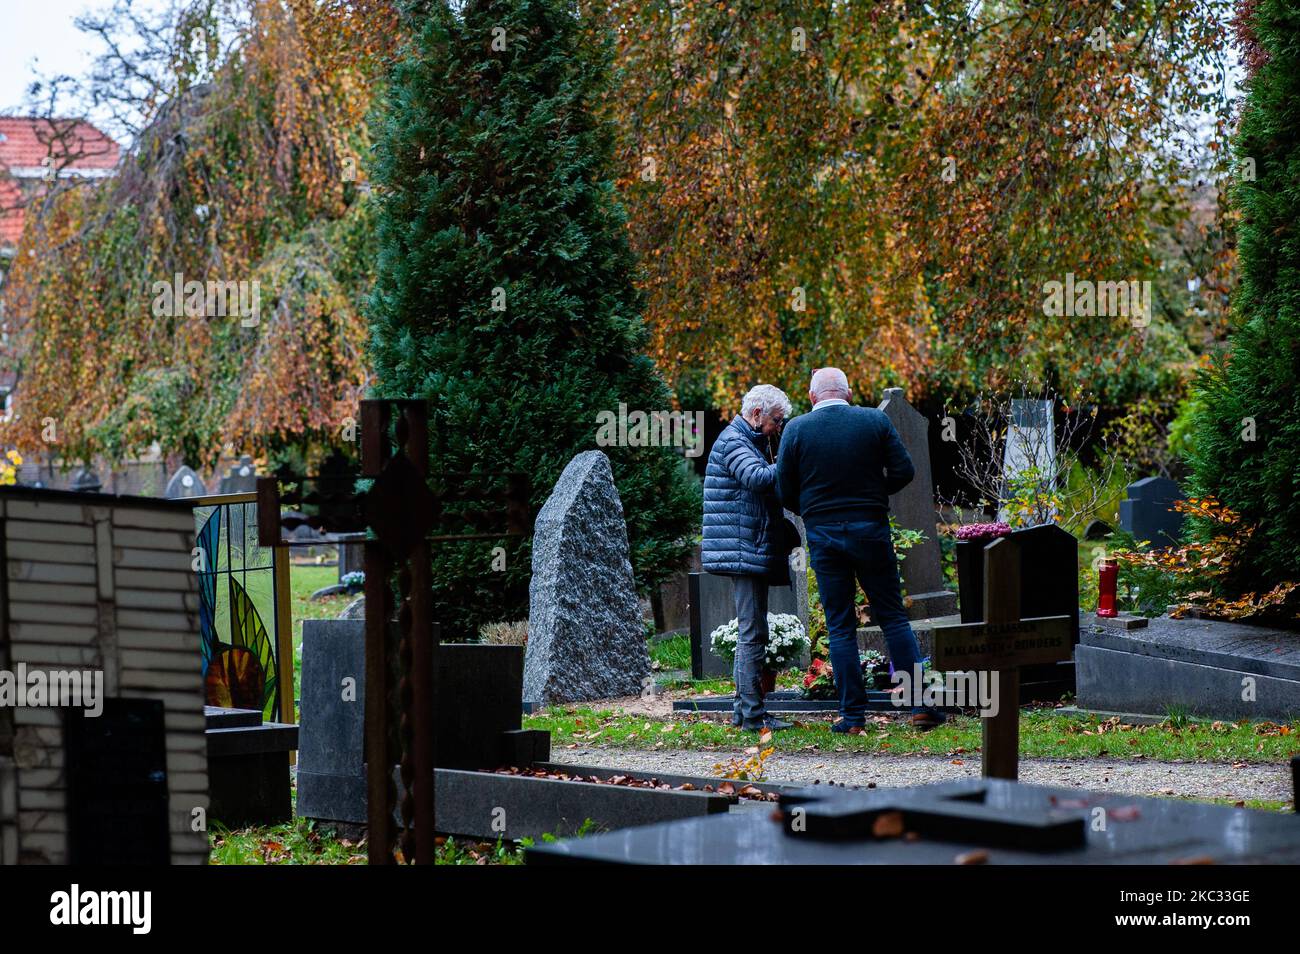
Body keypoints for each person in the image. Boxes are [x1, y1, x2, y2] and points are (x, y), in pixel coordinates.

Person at [776, 367, 945, 732]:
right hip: (871, 529)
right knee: (893, 618)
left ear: (811, 396)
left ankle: (852, 717)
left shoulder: (796, 429)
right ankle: (920, 706)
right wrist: (872, 494)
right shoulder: (872, 421)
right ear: (849, 393)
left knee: (840, 626)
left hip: (824, 534)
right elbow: (904, 470)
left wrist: (815, 509)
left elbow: (784, 489)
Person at [701, 384, 795, 732]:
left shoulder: (747, 440)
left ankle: (746, 712)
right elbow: (757, 478)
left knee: (753, 631)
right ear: (757, 414)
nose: (778, 427)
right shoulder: (734, 441)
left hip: (747, 546)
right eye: (776, 420)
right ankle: (752, 716)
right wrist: (792, 457)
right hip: (743, 549)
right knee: (752, 632)